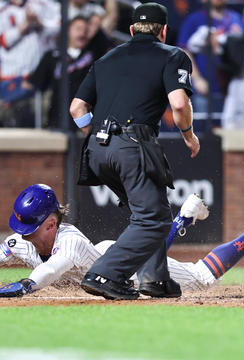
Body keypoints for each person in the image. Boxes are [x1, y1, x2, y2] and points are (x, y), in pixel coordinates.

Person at [0, 184, 244, 296]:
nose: (21, 234)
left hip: (122, 270)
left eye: (31, 226)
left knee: (200, 277)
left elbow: (53, 270)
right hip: (110, 259)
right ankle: (185, 216)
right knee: (149, 255)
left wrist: (26, 285)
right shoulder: (25, 239)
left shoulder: (65, 240)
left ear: (51, 223)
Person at [69, 3, 200, 300]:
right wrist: (189, 136)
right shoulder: (173, 54)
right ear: (164, 31)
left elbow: (76, 108)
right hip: (132, 144)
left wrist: (100, 136)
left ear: (131, 30)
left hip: (97, 150)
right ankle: (104, 273)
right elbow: (179, 105)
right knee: (153, 219)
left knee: (150, 210)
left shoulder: (106, 58)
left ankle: (154, 280)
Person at [26, 15, 110, 129]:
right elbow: (36, 85)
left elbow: (108, 44)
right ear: (68, 32)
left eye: (86, 30)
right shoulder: (53, 56)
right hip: (58, 120)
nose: (82, 33)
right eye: (78, 29)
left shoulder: (95, 54)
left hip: (86, 122)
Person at [0, 0, 60, 126]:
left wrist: (39, 23)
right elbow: (2, 40)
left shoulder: (46, 4)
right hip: (12, 77)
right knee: (8, 124)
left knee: (44, 126)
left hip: (42, 79)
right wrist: (25, 25)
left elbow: (60, 28)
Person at [177, 0, 243, 112]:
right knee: (202, 126)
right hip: (204, 86)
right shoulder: (194, 19)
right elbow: (184, 51)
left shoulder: (236, 19)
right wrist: (197, 78)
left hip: (232, 88)